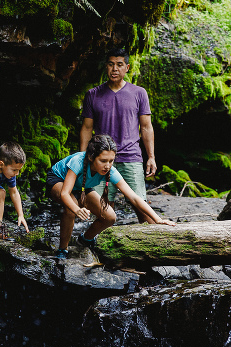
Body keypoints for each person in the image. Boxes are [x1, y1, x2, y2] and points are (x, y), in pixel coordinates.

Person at [46, 135, 174, 258]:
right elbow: (64, 193)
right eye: (103, 161)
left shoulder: (110, 170)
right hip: (59, 180)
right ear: (91, 157)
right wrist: (77, 209)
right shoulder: (78, 162)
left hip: (82, 186)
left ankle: (85, 239)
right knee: (70, 208)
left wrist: (158, 219)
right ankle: (63, 249)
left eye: (111, 161)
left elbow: (133, 197)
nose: (107, 165)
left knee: (110, 217)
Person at [80, 47, 156, 222]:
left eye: (119, 65)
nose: (115, 69)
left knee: (142, 209)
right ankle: (98, 246)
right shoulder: (93, 94)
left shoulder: (139, 93)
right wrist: (83, 156)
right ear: (106, 67)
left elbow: (146, 127)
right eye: (111, 64)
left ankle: (153, 244)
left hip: (131, 157)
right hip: (100, 159)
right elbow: (86, 128)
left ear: (127, 68)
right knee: (103, 210)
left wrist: (151, 157)